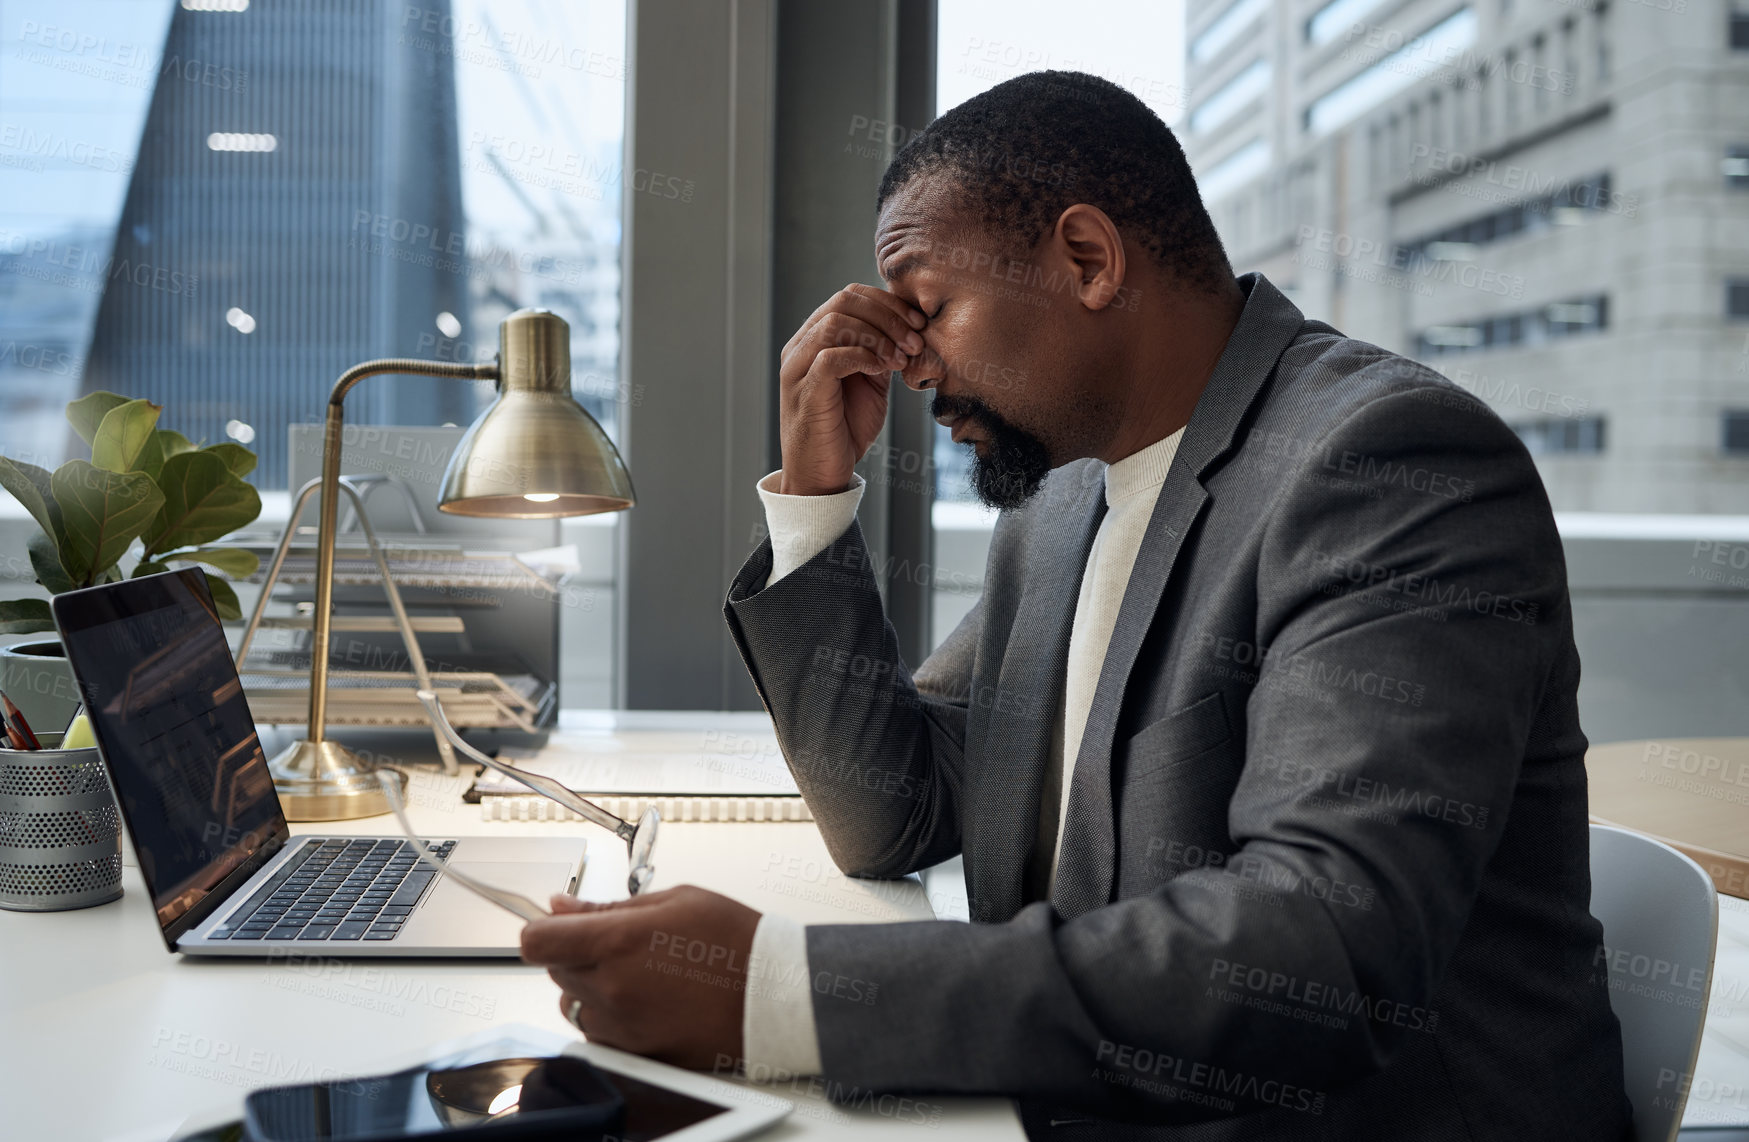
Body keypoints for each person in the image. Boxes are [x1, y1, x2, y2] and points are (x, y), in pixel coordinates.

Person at [520, 70, 1632, 1140]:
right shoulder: (1061, 500)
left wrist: (781, 992)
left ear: (1089, 258)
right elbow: (893, 812)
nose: (910, 366)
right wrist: (815, 498)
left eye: (931, 307)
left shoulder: (1381, 465)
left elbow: (1324, 957)